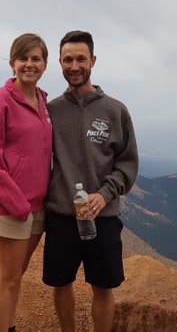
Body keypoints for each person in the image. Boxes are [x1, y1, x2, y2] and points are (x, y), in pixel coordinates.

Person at [42, 30, 139, 332]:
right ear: (59, 62)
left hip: (103, 216)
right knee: (61, 284)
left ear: (93, 60)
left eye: (80, 59)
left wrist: (106, 193)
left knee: (103, 287)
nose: (74, 66)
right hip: (62, 215)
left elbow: (127, 162)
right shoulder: (51, 110)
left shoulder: (115, 110)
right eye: (67, 60)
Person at [0, 33, 52, 332]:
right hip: (11, 206)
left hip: (37, 207)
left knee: (17, 274)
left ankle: (8, 326)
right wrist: (18, 204)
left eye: (36, 58)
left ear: (44, 64)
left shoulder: (43, 101)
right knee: (8, 278)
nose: (29, 64)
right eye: (23, 58)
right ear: (12, 63)